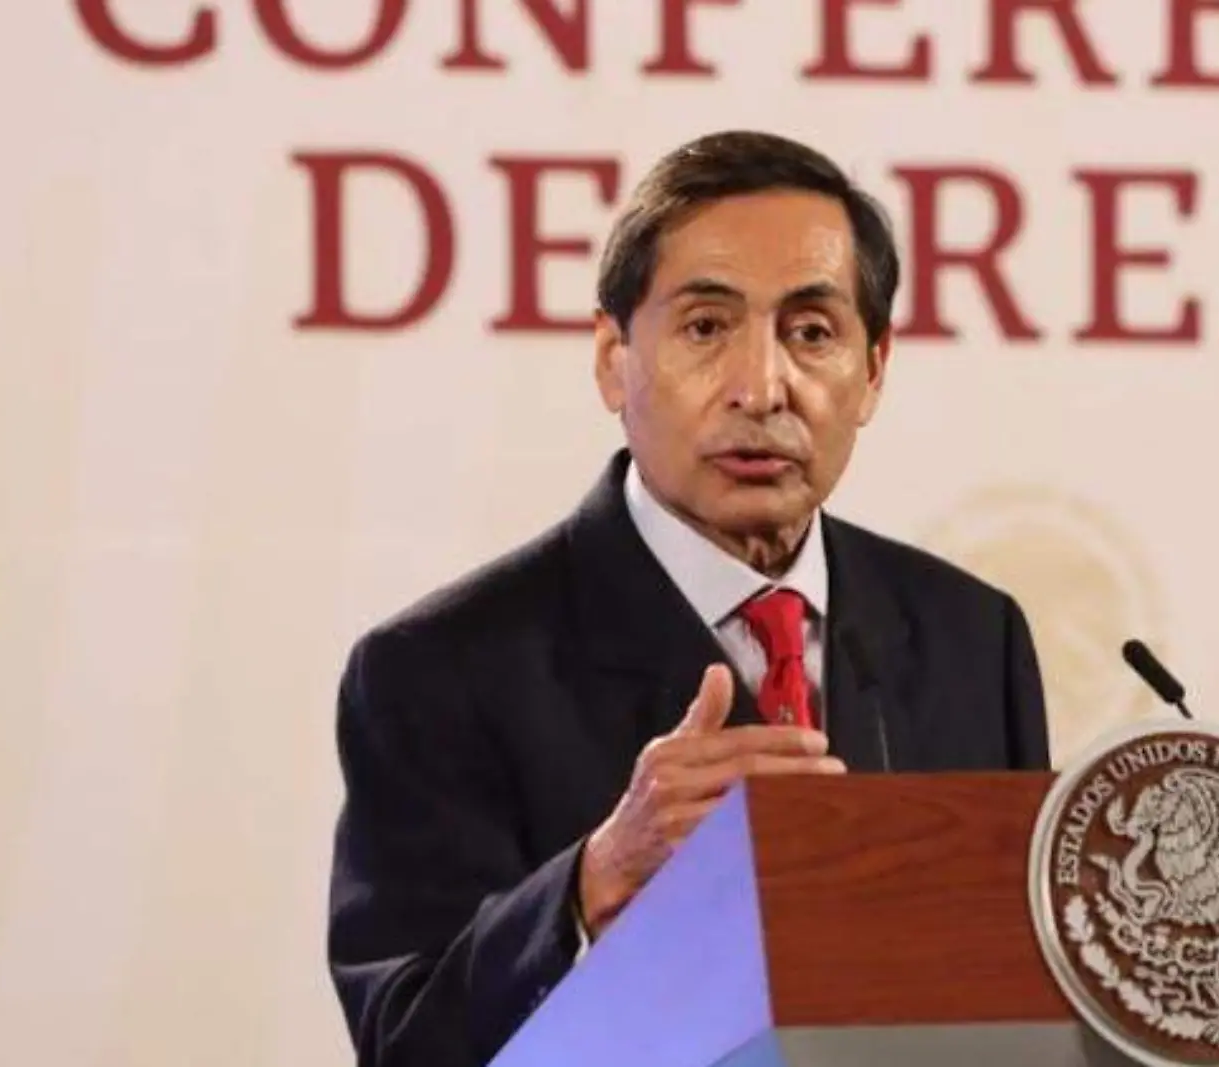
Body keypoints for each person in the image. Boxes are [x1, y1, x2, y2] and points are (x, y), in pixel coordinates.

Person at [326, 130, 1050, 1067]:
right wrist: (593, 882)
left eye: (812, 333)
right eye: (706, 328)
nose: (762, 388)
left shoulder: (971, 638)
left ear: (873, 370)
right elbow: (402, 1041)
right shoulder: (438, 669)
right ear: (612, 358)